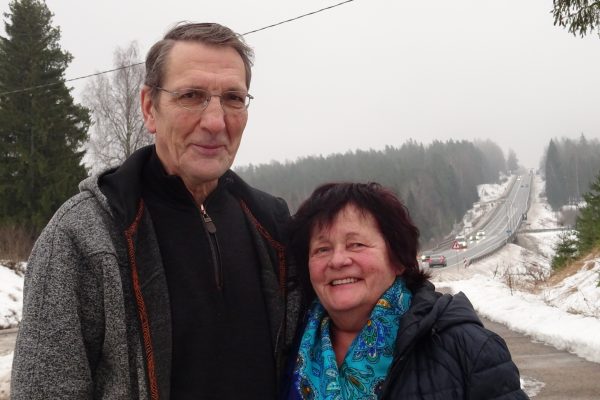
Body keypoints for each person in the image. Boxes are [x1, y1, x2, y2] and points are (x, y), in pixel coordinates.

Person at [11, 22, 302, 400]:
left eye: (233, 98)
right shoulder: (82, 236)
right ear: (150, 108)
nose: (216, 122)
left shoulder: (273, 227)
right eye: (192, 95)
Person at [284, 182, 528, 399]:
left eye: (356, 244)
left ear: (398, 259)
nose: (337, 260)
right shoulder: (284, 348)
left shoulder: (468, 349)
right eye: (322, 249)